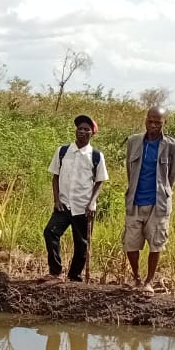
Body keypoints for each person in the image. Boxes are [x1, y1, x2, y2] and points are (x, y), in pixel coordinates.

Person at [124, 107, 175, 293]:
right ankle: (137, 278)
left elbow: (172, 176)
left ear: (164, 123)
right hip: (135, 201)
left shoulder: (173, 146)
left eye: (158, 122)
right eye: (150, 121)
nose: (153, 125)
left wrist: (163, 192)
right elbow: (129, 171)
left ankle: (149, 281)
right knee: (130, 243)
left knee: (156, 243)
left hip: (158, 204)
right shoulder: (133, 142)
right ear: (145, 120)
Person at [44, 114, 108, 283]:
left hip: (83, 207)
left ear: (92, 133)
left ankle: (74, 277)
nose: (82, 131)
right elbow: (55, 176)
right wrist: (56, 200)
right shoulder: (63, 151)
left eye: (86, 129)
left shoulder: (95, 156)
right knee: (50, 232)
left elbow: (99, 181)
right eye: (79, 128)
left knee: (81, 244)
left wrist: (92, 202)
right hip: (64, 205)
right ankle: (55, 272)